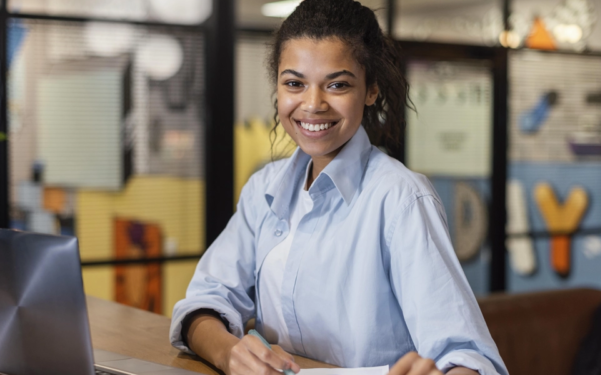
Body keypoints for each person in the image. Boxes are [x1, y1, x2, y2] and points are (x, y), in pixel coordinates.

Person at [169, 1, 508, 374]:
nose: (313, 105)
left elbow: (468, 358)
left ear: (371, 90)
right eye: (295, 83)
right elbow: (203, 302)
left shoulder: (401, 198)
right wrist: (229, 353)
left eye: (337, 84)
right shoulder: (263, 189)